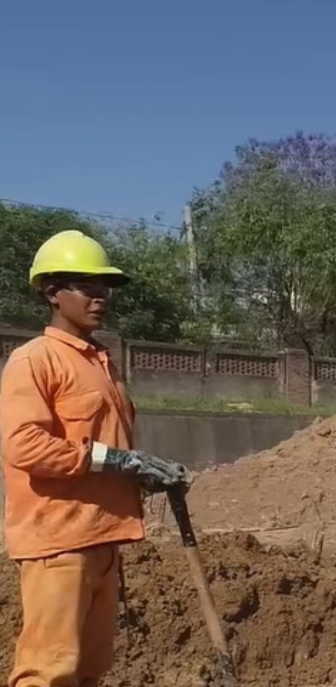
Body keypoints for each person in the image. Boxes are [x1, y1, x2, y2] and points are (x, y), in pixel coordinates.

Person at [0, 230, 192, 687]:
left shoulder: (102, 363)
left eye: (104, 288)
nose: (100, 297)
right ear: (52, 292)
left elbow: (108, 448)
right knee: (50, 671)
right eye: (87, 287)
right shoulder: (35, 360)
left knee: (91, 668)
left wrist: (146, 472)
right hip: (58, 540)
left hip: (102, 539)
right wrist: (118, 462)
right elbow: (23, 444)